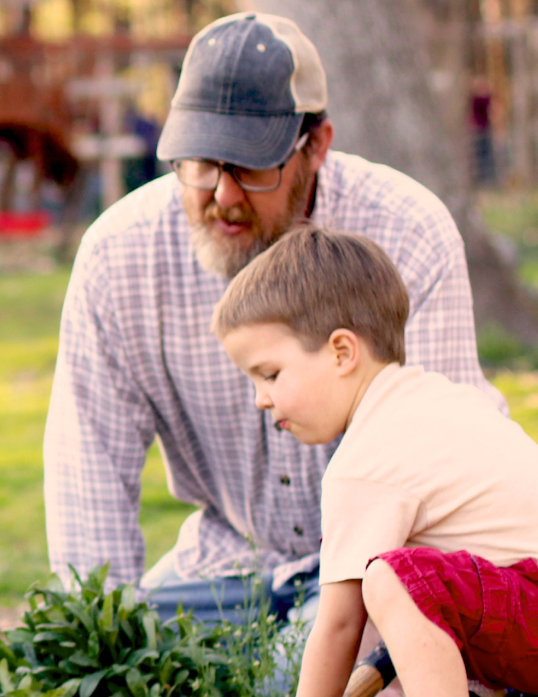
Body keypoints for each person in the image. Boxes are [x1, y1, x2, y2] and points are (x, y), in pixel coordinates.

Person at [44, 11, 498, 626]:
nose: (223, 196)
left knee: (291, 680)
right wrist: (96, 645)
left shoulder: (407, 231)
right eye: (200, 164)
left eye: (251, 166)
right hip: (223, 567)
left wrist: (404, 638)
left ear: (316, 146)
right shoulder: (118, 256)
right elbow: (88, 466)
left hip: (379, 568)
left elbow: (446, 465)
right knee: (152, 662)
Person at [222, 228, 538, 697]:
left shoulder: (367, 460)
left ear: (342, 352)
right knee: (428, 565)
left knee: (395, 577)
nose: (262, 400)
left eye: (269, 373)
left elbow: (341, 624)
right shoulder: (434, 400)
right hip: (533, 607)